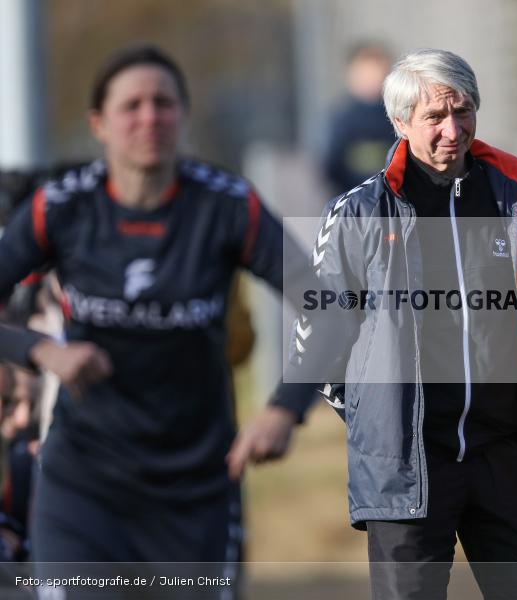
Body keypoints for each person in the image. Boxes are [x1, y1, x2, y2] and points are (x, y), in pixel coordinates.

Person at [233, 48, 517, 600]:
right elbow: (319, 331)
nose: (452, 130)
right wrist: (377, 416)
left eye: (462, 111)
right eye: (434, 116)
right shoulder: (359, 212)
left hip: (506, 456)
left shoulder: (514, 198)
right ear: (399, 122)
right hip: (408, 464)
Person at [0, 43, 312, 590]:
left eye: (164, 103)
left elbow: (333, 307)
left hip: (195, 490)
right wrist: (42, 351)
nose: (150, 118)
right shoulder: (64, 205)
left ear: (183, 115)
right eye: (132, 105)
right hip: (82, 485)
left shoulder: (227, 206)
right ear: (99, 124)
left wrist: (285, 408)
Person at [322, 42, 397, 194]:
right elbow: (331, 166)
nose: (372, 80)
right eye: (365, 74)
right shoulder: (343, 117)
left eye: (377, 73)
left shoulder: (396, 115)